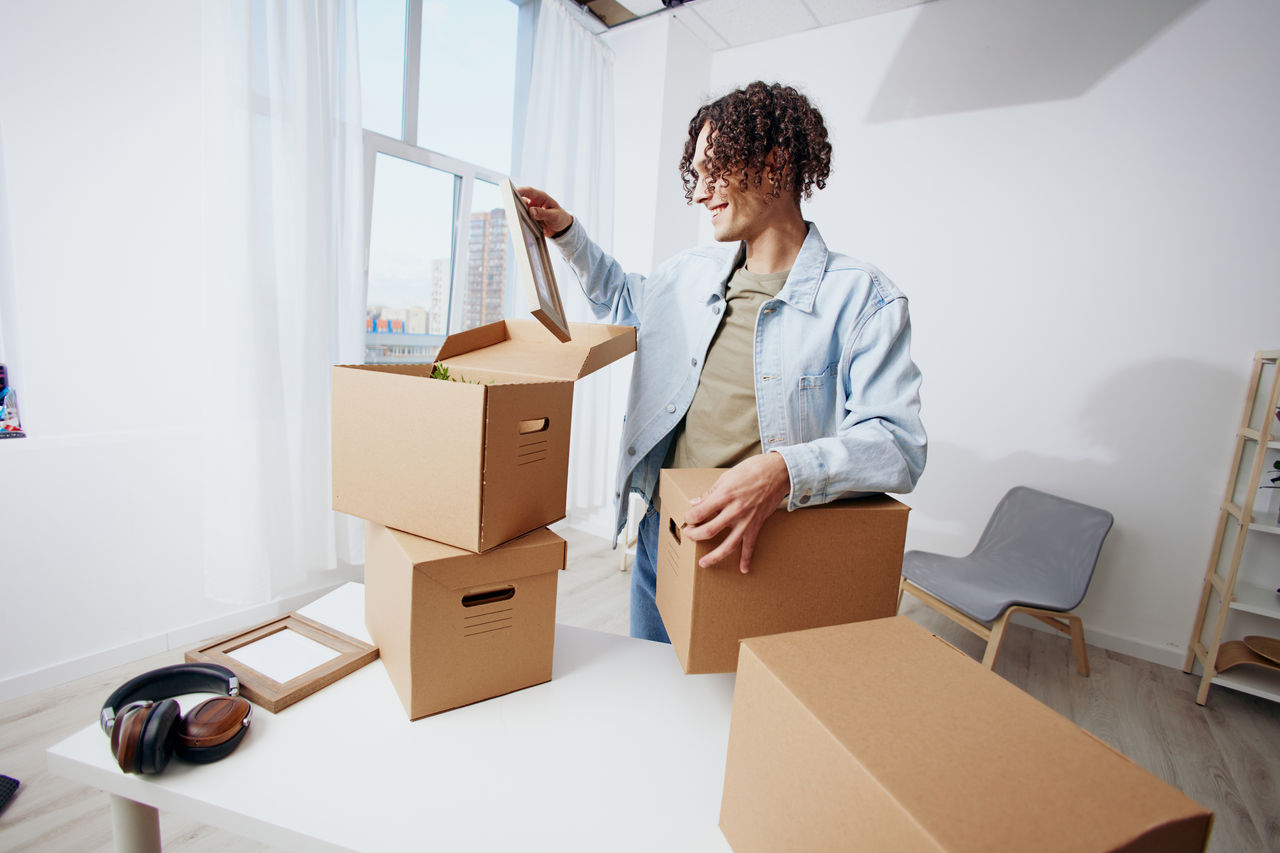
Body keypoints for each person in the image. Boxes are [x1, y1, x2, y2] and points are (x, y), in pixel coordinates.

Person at [520, 81, 925, 643]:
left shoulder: (864, 299)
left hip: (762, 556)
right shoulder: (687, 275)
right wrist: (567, 234)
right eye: (699, 174)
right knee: (656, 704)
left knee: (735, 718)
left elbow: (898, 444)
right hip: (665, 539)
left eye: (717, 171)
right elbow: (619, 297)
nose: (701, 192)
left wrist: (784, 470)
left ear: (775, 163)